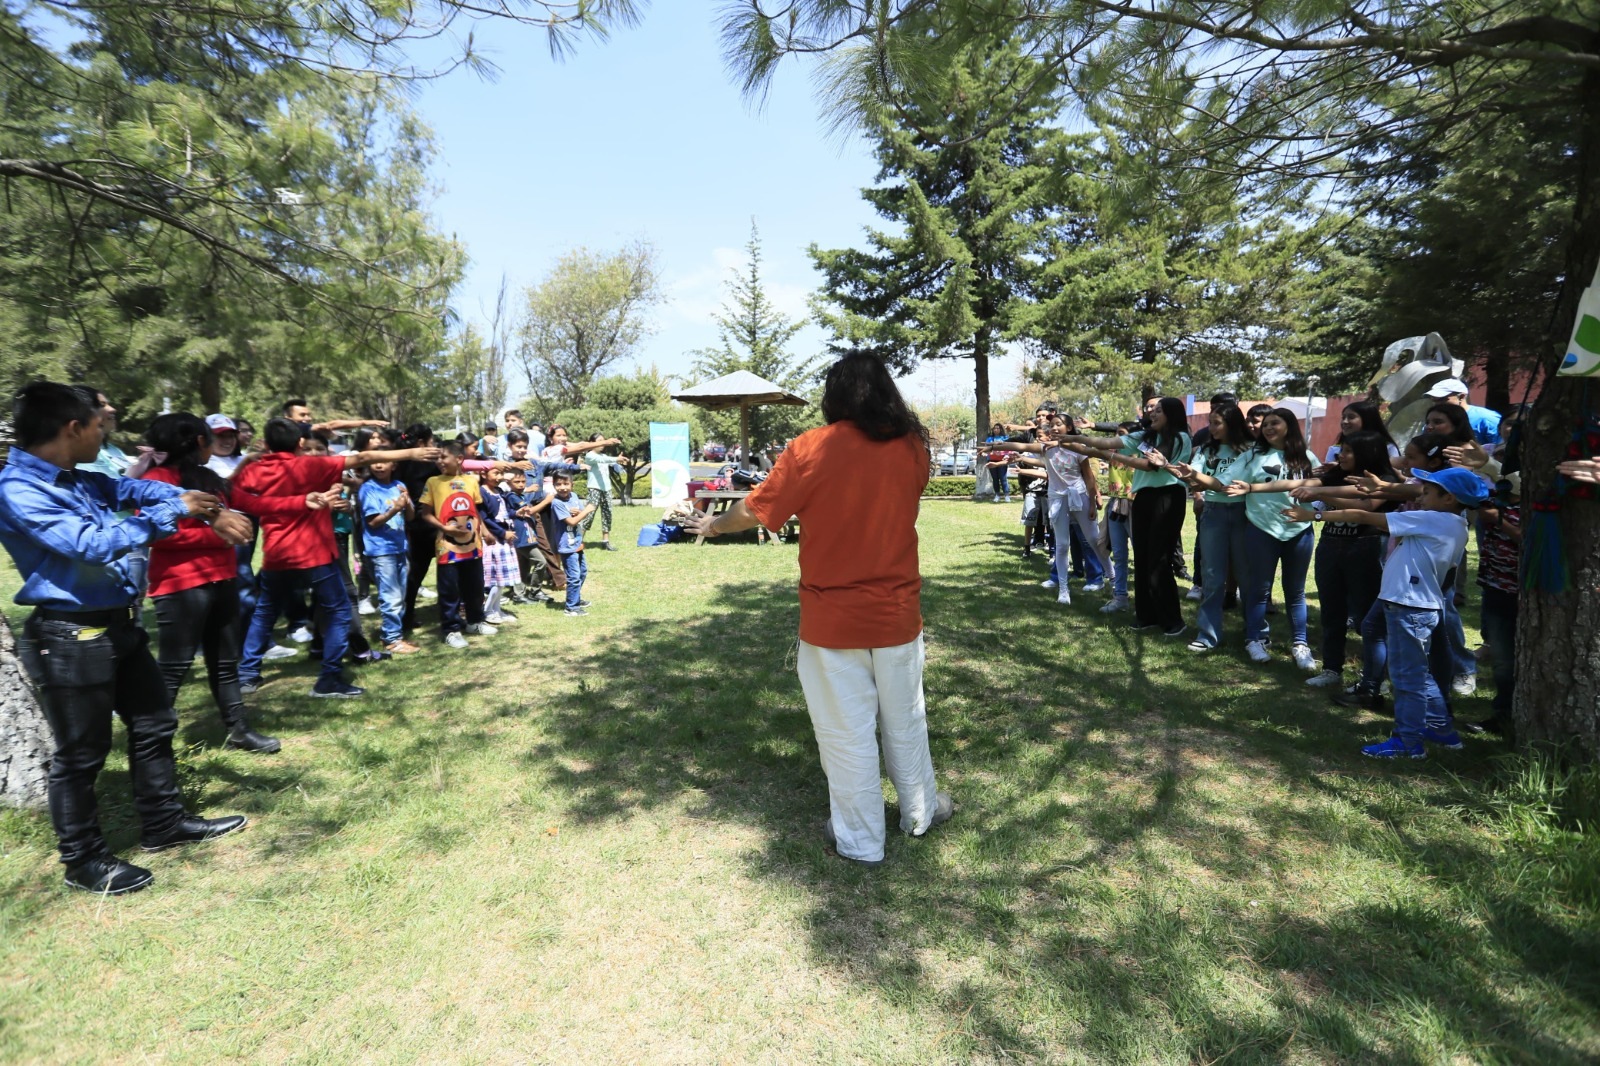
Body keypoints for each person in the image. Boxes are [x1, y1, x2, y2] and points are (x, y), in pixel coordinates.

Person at [683, 353, 953, 868]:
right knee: (906, 720)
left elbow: (757, 508)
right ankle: (919, 812)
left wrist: (712, 526)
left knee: (845, 732)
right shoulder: (912, 447)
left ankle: (859, 839)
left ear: (834, 395)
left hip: (833, 621)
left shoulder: (811, 448)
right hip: (897, 614)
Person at [0, 382, 252, 895]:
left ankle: (163, 824)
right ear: (73, 429)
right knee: (82, 753)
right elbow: (88, 545)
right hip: (71, 635)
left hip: (118, 622)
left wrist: (190, 500)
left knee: (155, 723)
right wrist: (175, 510)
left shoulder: (78, 477)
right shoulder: (18, 489)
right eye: (99, 426)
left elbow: (130, 490)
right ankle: (83, 861)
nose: (105, 433)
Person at [1285, 467, 1485, 758]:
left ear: (1449, 499)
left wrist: (1313, 515)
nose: (1421, 494)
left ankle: (1408, 742)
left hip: (1409, 606)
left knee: (1407, 678)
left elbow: (1365, 517)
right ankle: (1441, 730)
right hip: (1411, 602)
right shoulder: (1456, 524)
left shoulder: (1432, 519)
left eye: (1428, 491)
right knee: (1415, 669)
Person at [233, 418, 438, 697]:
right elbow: (363, 457)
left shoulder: (257, 469)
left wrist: (246, 466)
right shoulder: (310, 464)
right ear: (301, 443)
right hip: (315, 553)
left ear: (267, 444)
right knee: (340, 611)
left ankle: (247, 673)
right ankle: (329, 678)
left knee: (265, 613)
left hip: (276, 555)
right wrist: (409, 453)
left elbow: (236, 497)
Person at [141, 413, 281, 755]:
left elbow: (250, 506)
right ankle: (153, 742)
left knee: (224, 661)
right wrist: (217, 536)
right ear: (199, 442)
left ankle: (238, 730)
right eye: (209, 437)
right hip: (180, 586)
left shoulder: (208, 478)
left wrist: (304, 502)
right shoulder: (156, 480)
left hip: (223, 578)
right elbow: (152, 533)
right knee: (174, 666)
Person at [1064, 398, 1194, 637]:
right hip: (1143, 497)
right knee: (1143, 557)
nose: (1152, 414)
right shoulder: (1144, 436)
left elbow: (1149, 466)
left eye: (1159, 411)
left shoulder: (1180, 438)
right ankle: (1146, 617)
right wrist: (1075, 438)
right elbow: (1104, 441)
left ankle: (1173, 621)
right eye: (1152, 411)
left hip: (1168, 498)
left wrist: (1112, 457)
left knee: (1159, 560)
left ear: (1172, 414)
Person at [1219, 408, 1318, 670]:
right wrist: (1194, 477)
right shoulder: (1252, 455)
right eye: (1267, 424)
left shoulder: (1306, 457)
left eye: (1276, 423)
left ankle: (1300, 644)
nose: (1268, 428)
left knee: (1295, 592)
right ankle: (1254, 639)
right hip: (1261, 530)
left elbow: (1322, 487)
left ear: (1290, 426)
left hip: (1299, 532)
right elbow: (1223, 481)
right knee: (1258, 589)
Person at [1168, 404, 1251, 652]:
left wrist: (1194, 475)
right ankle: (1208, 635)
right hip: (1213, 513)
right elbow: (1197, 478)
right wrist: (1180, 472)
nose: (1211, 428)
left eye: (1217, 423)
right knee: (1212, 576)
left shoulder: (1249, 450)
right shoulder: (1206, 449)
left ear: (1232, 424)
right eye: (1211, 422)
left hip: (1243, 514)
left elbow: (1223, 484)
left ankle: (1255, 633)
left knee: (1247, 576)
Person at [1004, 417, 1110, 606]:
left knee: (1093, 540)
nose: (1054, 428)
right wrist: (994, 447)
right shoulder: (1046, 448)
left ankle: (1112, 575)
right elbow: (1021, 447)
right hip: (1057, 499)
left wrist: (1093, 503)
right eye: (1051, 425)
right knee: (1062, 545)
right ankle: (1063, 589)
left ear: (1069, 427)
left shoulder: (1078, 448)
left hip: (1079, 497)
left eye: (1058, 424)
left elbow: (1089, 477)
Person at [418, 441, 505, 649]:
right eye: (437, 457)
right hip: (447, 548)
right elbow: (425, 514)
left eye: (443, 457)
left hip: (473, 546)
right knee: (449, 591)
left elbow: (475, 512)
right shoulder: (433, 482)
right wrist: (445, 529)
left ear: (458, 459)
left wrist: (485, 532)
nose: (439, 461)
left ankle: (475, 622)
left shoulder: (471, 481)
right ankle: (451, 629)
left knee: (474, 588)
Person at [1466, 472, 1521, 737]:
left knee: (1515, 660)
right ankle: (1502, 715)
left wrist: (1500, 521)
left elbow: (1528, 539)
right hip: (1496, 589)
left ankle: (1515, 714)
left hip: (1522, 592)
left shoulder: (1539, 511)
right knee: (1502, 660)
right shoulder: (1496, 505)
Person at [357, 450, 418, 654]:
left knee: (399, 595)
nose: (379, 466)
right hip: (381, 551)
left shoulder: (398, 486)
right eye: (375, 462)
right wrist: (394, 509)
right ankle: (392, 639)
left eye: (385, 461)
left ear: (394, 465)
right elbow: (373, 522)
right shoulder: (368, 489)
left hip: (400, 548)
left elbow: (410, 517)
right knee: (390, 596)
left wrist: (406, 500)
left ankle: (393, 634)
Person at [549, 472, 594, 616]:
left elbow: (577, 514)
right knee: (573, 576)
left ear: (572, 484)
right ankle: (571, 608)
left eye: (566, 484)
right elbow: (571, 522)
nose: (562, 487)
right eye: (558, 484)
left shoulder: (573, 497)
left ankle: (575, 598)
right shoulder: (557, 502)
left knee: (582, 572)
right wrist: (586, 510)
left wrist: (579, 511)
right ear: (553, 485)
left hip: (577, 542)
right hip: (566, 546)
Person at [581, 432, 630, 550]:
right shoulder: (590, 455)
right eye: (600, 441)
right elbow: (606, 460)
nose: (603, 444)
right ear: (592, 443)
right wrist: (615, 458)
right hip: (594, 489)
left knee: (607, 514)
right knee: (589, 515)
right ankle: (578, 540)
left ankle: (605, 541)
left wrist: (619, 461)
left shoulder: (604, 456)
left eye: (604, 441)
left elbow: (612, 462)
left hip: (606, 489)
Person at [1425, 378, 1502, 445]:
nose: (1437, 404)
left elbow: (1500, 449)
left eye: (1442, 399)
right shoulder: (1432, 419)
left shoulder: (1487, 418)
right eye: (1434, 400)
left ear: (1461, 396)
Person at [1323, 400, 1401, 465]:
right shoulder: (1335, 450)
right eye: (1343, 417)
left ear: (1367, 419)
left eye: (1351, 417)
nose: (1345, 422)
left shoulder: (1388, 448)